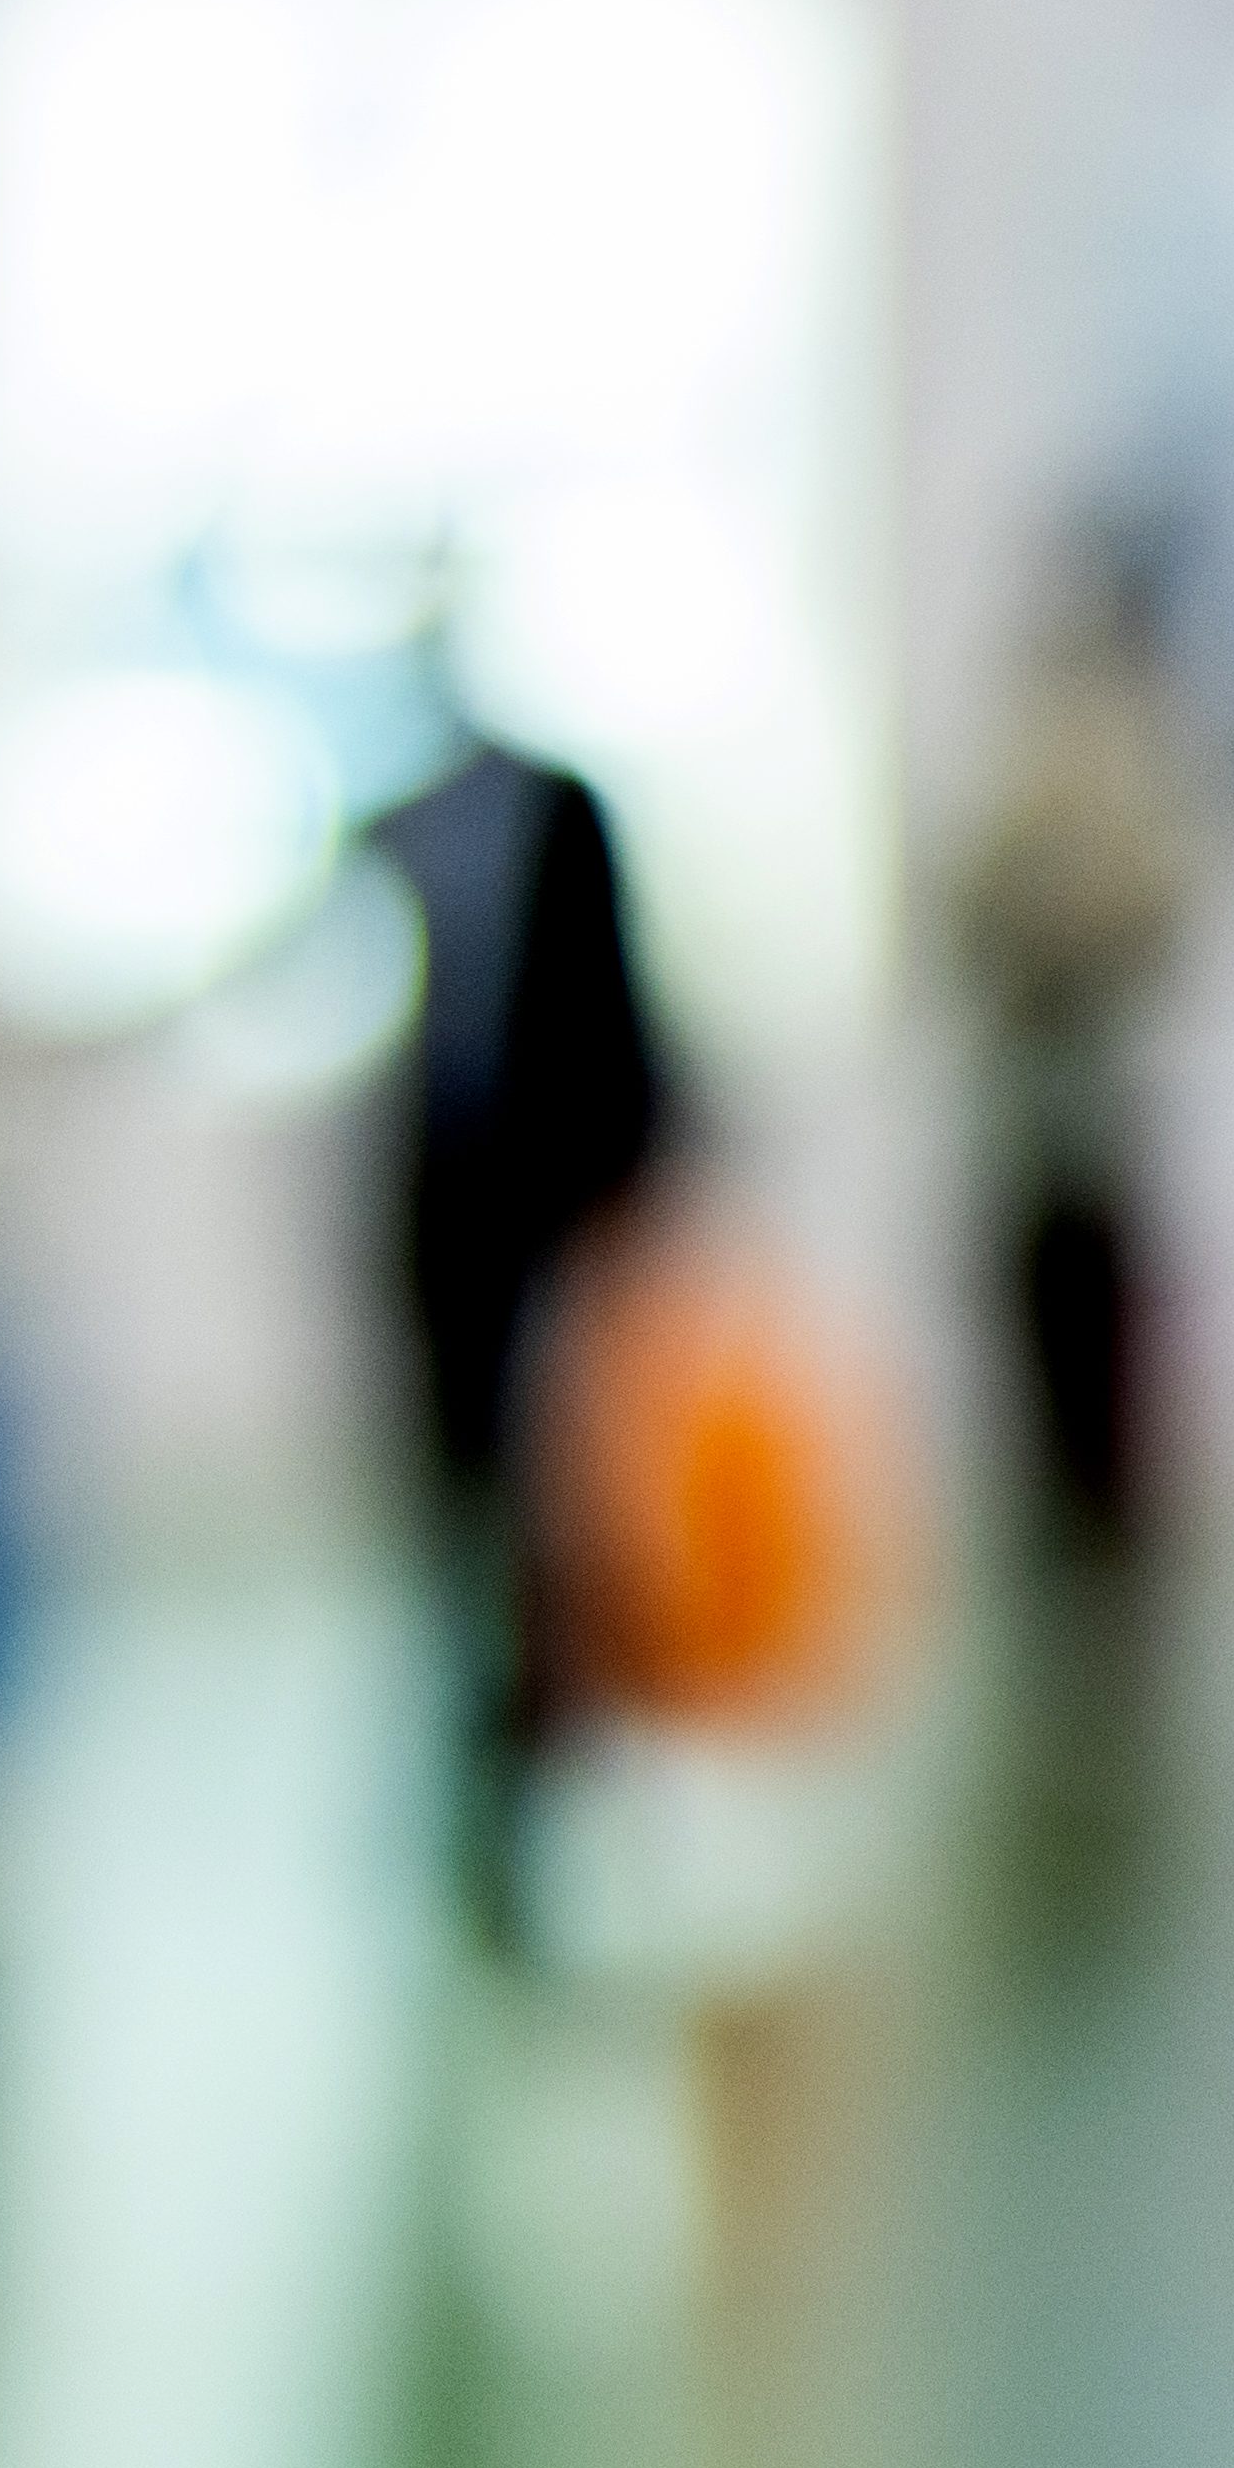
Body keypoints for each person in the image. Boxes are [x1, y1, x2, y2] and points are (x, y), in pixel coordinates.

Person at [373, 692, 684, 1946]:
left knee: (563, 1463)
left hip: (543, 1184)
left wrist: (627, 1189)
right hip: (452, 1189)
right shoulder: (414, 823)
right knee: (457, 1453)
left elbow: (614, 1004)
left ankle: (566, 1705)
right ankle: (484, 1696)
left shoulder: (564, 812)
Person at [954, 547, 1200, 1601]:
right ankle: (1071, 1523)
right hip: (1033, 1093)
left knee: (1099, 1320)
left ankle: (1108, 1531)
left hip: (1096, 1093)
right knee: (1044, 1311)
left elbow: (1157, 918)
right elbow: (973, 904)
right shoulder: (1026, 769)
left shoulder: (1130, 765)